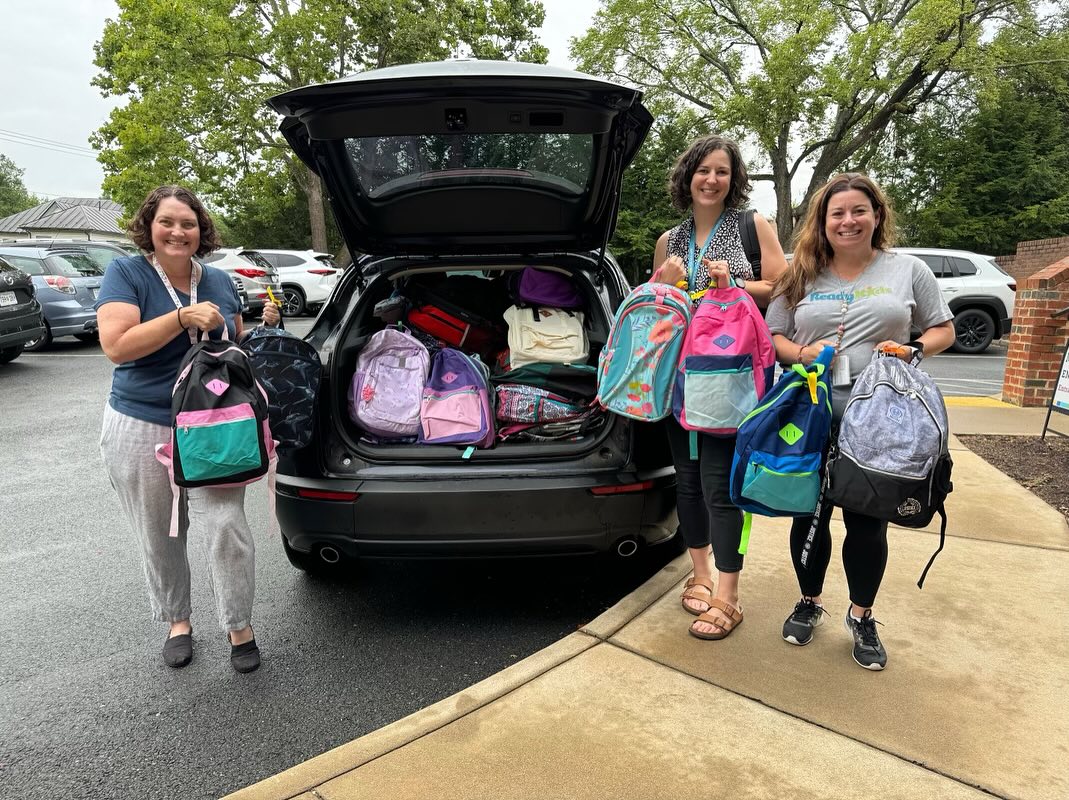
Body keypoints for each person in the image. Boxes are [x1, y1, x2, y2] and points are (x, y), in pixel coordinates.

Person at [765, 172, 955, 670]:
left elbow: (943, 329)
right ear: (822, 222)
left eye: (858, 211)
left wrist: (914, 349)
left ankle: (862, 615)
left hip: (878, 421)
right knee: (808, 514)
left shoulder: (907, 269)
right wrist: (805, 352)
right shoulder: (801, 272)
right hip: (810, 412)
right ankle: (809, 601)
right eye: (837, 213)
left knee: (867, 522)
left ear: (877, 215)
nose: (848, 221)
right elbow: (774, 338)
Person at [97, 185, 280, 673]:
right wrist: (180, 317)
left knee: (227, 527)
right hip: (142, 421)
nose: (178, 231)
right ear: (149, 228)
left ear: (202, 231)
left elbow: (233, 345)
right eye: (168, 222)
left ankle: (238, 626)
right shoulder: (127, 272)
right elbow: (116, 346)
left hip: (214, 425)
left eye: (189, 223)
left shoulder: (219, 280)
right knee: (159, 534)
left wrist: (261, 328)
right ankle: (178, 621)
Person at [652, 134, 788, 640]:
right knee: (685, 481)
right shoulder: (671, 239)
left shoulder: (752, 225)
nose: (711, 179)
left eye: (722, 171)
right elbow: (658, 312)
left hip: (732, 378)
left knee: (720, 486)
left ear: (734, 180)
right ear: (687, 176)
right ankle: (701, 574)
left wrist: (728, 282)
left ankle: (729, 596)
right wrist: (663, 283)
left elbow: (782, 285)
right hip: (678, 377)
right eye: (703, 170)